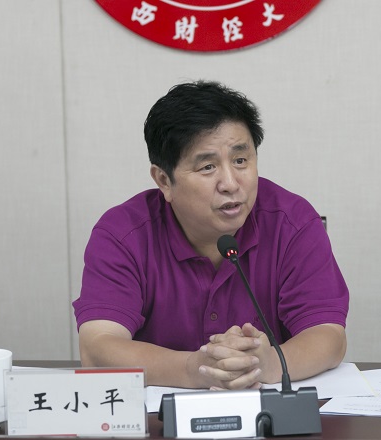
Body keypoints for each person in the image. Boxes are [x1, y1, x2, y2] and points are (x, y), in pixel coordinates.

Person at [73, 80, 349, 390]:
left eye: (241, 161)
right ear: (164, 180)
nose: (230, 183)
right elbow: (97, 348)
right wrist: (193, 369)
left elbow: (329, 336)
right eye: (207, 167)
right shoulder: (122, 234)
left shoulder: (293, 222)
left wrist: (270, 363)